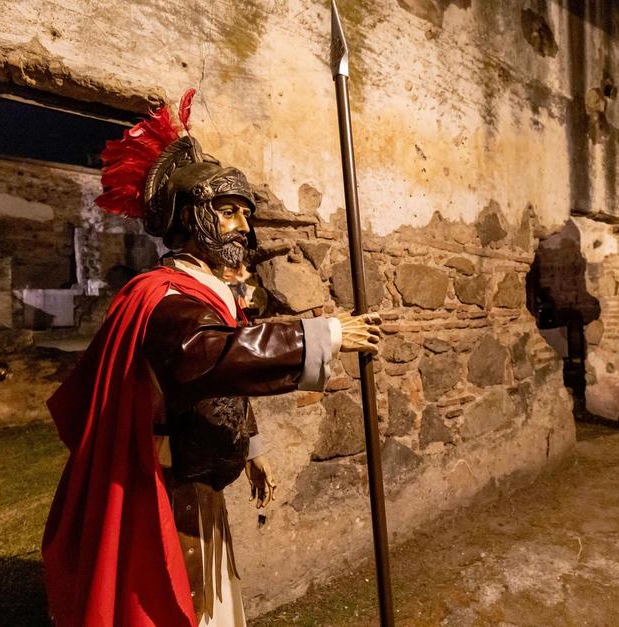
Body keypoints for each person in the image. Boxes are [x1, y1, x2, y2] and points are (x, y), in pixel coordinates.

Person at [41, 89, 382, 627]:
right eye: (226, 212)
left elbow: (219, 380)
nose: (242, 227)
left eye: (245, 214)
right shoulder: (164, 298)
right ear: (189, 218)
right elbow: (210, 355)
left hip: (202, 486)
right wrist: (322, 335)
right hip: (165, 494)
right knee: (182, 610)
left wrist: (252, 448)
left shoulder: (203, 293)